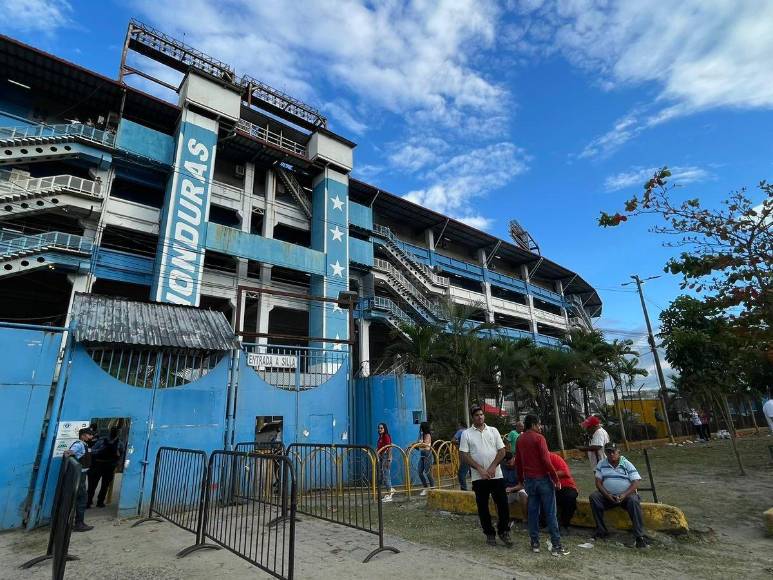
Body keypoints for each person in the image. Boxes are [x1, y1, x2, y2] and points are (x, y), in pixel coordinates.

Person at [514, 414, 569, 556]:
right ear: (533, 424)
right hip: (543, 479)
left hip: (529, 481)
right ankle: (556, 545)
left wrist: (521, 480)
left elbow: (518, 462)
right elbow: (546, 460)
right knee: (551, 512)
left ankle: (535, 543)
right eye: (539, 424)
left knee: (533, 512)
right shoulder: (539, 438)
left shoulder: (520, 439)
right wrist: (555, 479)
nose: (540, 427)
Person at [459, 405, 512, 547]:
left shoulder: (493, 431)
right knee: (483, 507)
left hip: (497, 475)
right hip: (479, 477)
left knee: (502, 505)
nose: (480, 417)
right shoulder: (467, 434)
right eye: (477, 415)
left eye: (481, 414)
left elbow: (502, 451)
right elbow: (464, 455)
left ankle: (504, 531)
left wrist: (493, 466)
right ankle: (489, 534)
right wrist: (480, 469)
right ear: (472, 417)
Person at [589, 442, 648, 548]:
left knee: (634, 501)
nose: (611, 454)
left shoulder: (627, 463)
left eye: (613, 451)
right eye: (608, 452)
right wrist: (607, 495)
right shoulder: (601, 464)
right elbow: (598, 482)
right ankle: (601, 530)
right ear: (605, 453)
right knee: (594, 497)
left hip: (626, 496)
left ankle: (639, 536)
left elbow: (636, 482)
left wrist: (624, 494)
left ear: (618, 452)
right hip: (608, 496)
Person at [64, 427, 95, 532]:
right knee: (82, 499)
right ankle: (79, 523)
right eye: (89, 434)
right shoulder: (79, 444)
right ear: (83, 435)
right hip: (79, 475)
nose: (91, 436)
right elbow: (68, 453)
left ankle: (77, 522)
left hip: (82, 474)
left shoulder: (84, 445)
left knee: (79, 498)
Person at [87, 426, 124, 508]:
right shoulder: (103, 441)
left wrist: (117, 463)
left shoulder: (119, 443)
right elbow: (93, 451)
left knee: (103, 485)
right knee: (94, 485)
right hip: (99, 465)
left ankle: (98, 502)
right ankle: (90, 501)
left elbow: (120, 455)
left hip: (108, 465)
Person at [549, 452, 578, 535]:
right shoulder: (535, 460)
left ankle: (565, 525)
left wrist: (548, 475)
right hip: (548, 487)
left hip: (565, 485)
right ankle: (544, 523)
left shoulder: (554, 457)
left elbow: (565, 472)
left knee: (569, 497)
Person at [377, 423, 396, 502]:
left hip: (385, 457)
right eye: (379, 428)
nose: (380, 429)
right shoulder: (380, 437)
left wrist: (389, 459)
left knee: (386, 475)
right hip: (381, 457)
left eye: (381, 428)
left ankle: (390, 494)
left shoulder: (386, 436)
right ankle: (390, 490)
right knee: (383, 475)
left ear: (384, 429)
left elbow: (389, 447)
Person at [417, 421, 435, 495]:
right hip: (422, 454)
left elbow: (424, 445)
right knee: (419, 472)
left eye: (421, 427)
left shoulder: (428, 435)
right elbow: (418, 444)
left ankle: (432, 488)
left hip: (427, 454)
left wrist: (419, 444)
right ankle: (425, 488)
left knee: (428, 473)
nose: (420, 428)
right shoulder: (421, 435)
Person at [452, 422, 470, 491]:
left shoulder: (460, 431)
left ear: (461, 426)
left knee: (461, 473)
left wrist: (460, 444)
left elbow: (453, 440)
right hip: (473, 454)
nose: (457, 427)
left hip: (465, 455)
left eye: (458, 425)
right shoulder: (469, 431)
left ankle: (464, 489)